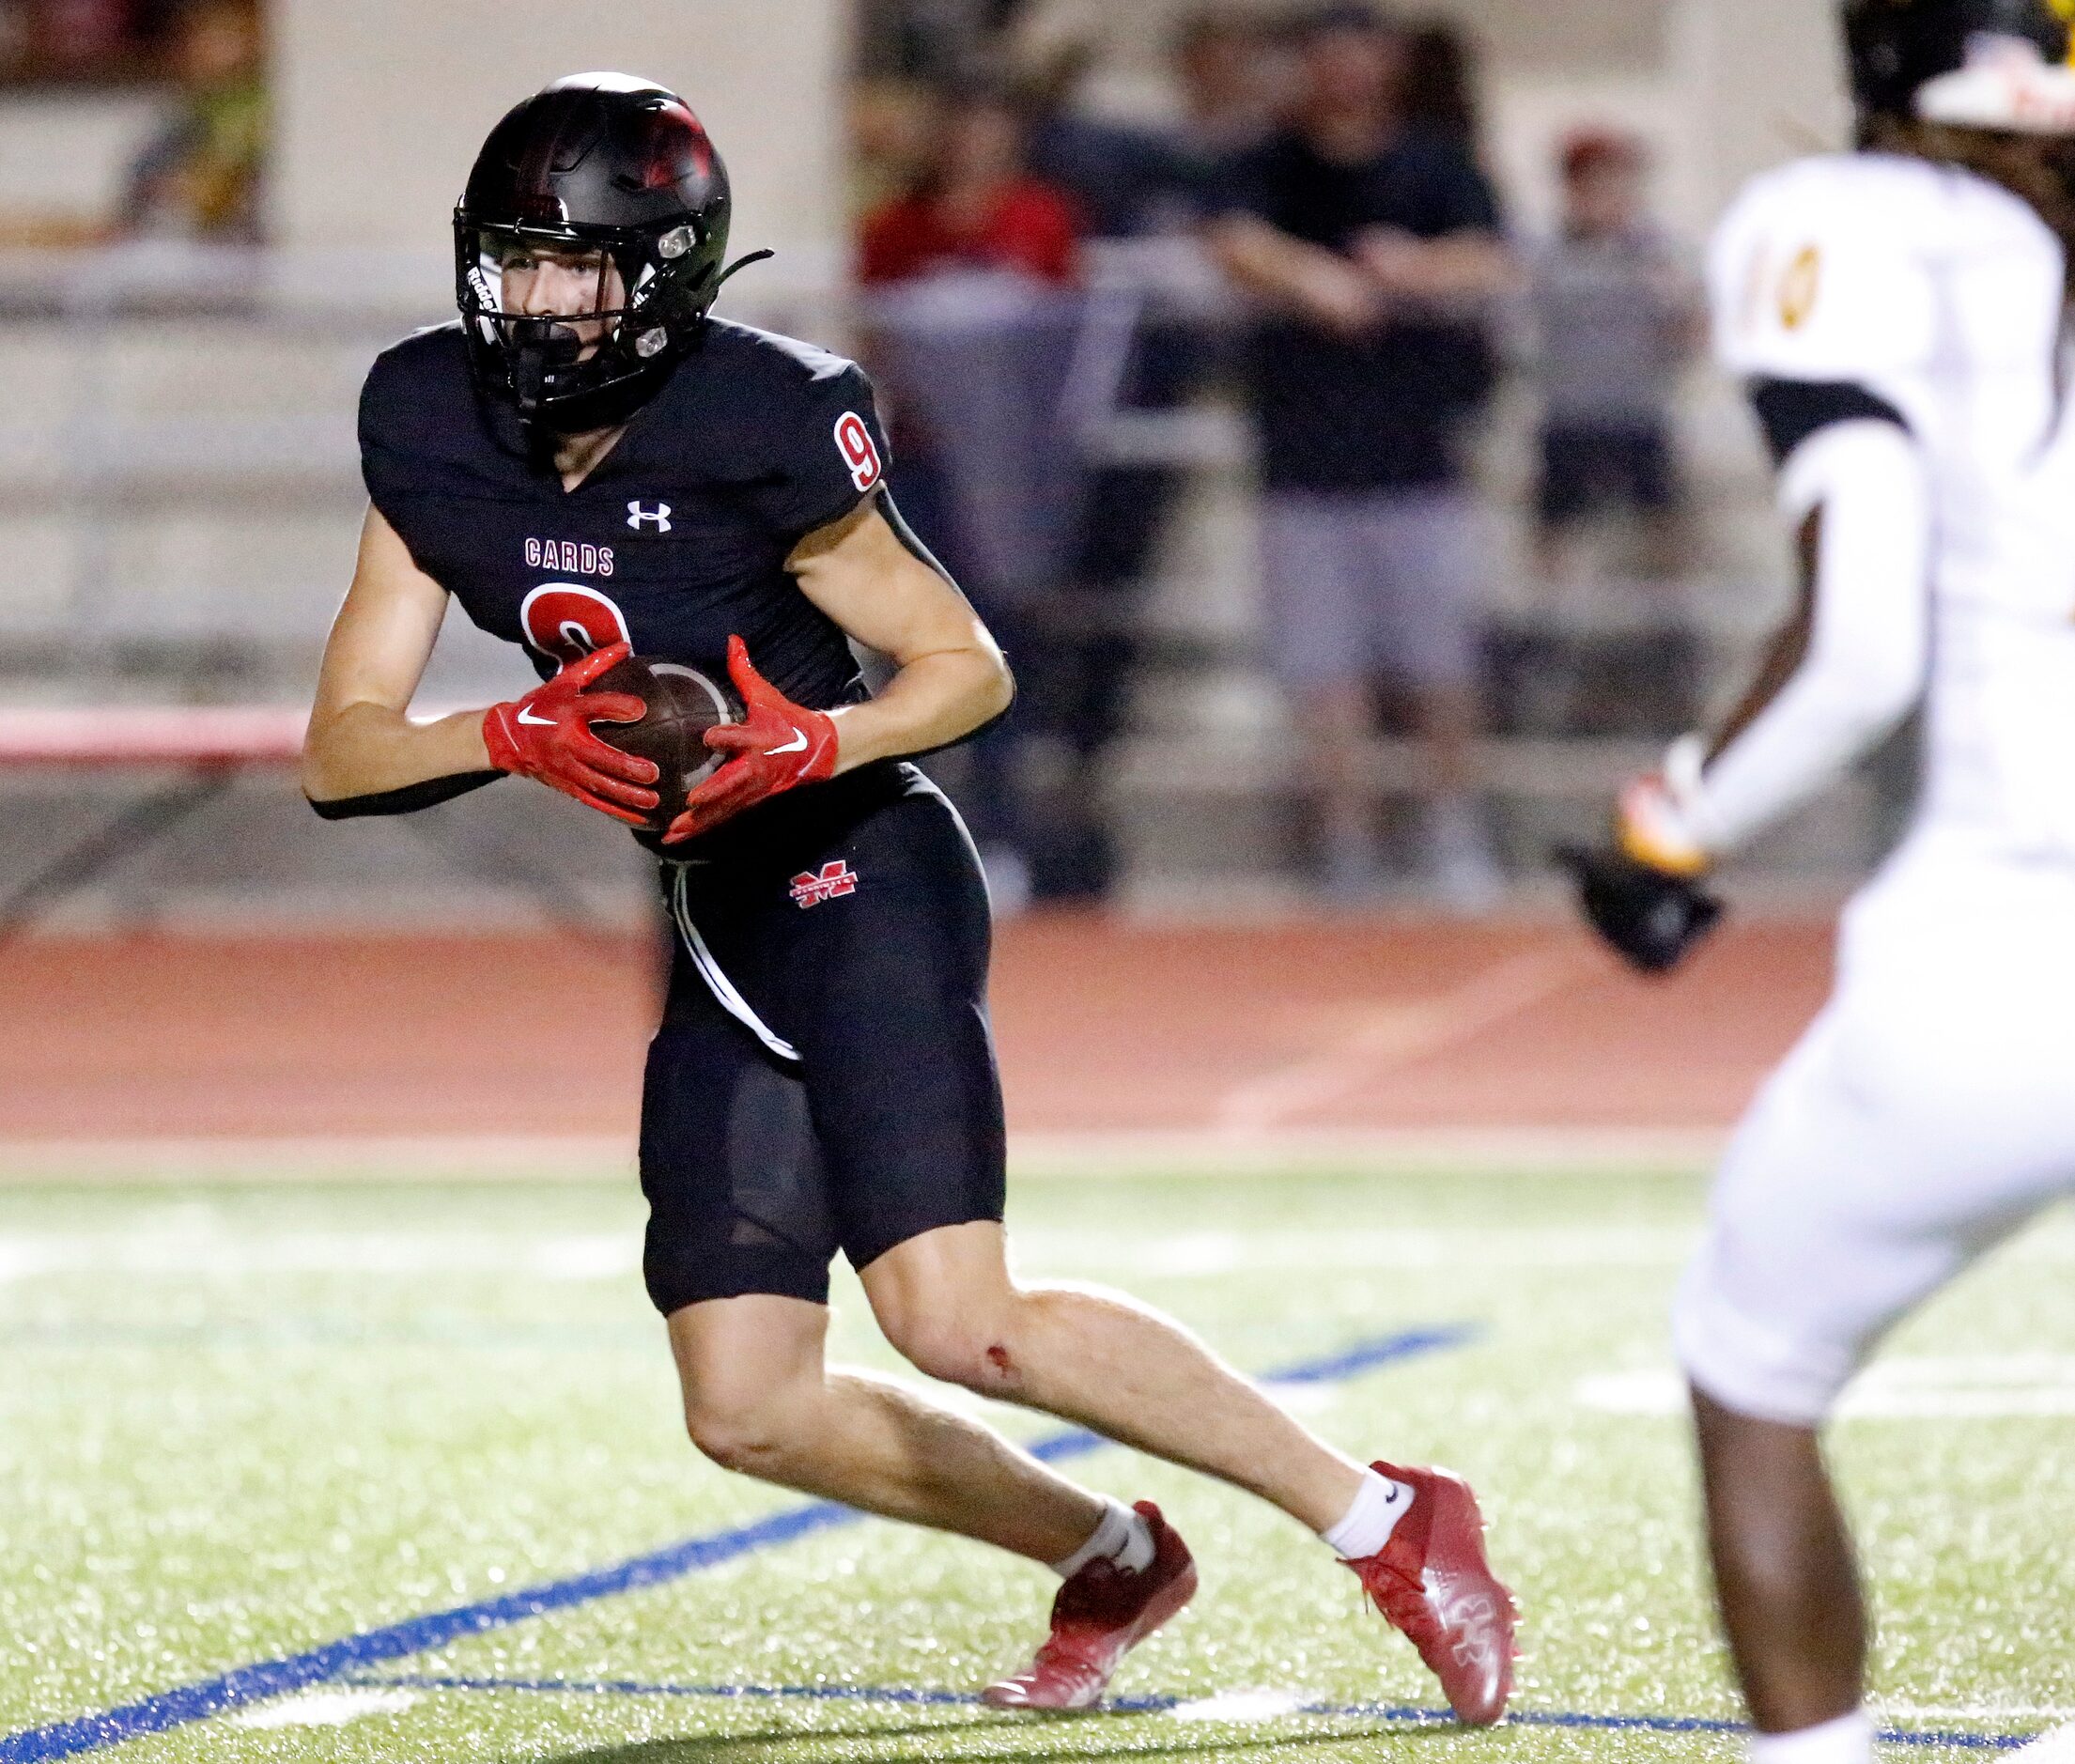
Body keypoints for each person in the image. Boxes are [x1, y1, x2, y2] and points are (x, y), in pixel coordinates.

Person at [303, 72, 1515, 1719]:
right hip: (717, 912)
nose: (536, 301)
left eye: (579, 267)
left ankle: (1384, 1515)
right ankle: (1104, 1550)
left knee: (955, 1315)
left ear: (664, 274)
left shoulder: (761, 412)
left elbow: (963, 665)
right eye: (515, 262)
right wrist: (501, 729)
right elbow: (345, 750)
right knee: (745, 1405)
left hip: (852, 854)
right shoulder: (425, 416)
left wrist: (813, 737)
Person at [1561, 8, 2075, 1763]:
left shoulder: (1864, 221)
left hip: (2016, 937)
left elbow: (1860, 636)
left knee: (1752, 1364)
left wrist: (1678, 833)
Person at [1205, 2, 1511, 905]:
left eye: (1362, 55)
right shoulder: (1266, 164)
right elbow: (1231, 238)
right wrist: (1312, 279)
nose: (1346, 73)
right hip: (1301, 460)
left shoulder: (1436, 163)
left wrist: (1410, 271)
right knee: (1321, 668)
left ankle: (1453, 831)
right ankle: (1345, 841)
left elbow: (1493, 256)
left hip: (1420, 458)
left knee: (1440, 662)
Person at [1528, 130, 1700, 587]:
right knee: (1554, 532)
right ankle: (1550, 628)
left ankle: (1671, 624)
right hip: (1569, 416)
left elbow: (1689, 335)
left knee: (1663, 527)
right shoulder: (1546, 254)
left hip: (1638, 414)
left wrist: (1676, 301)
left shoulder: (1658, 253)